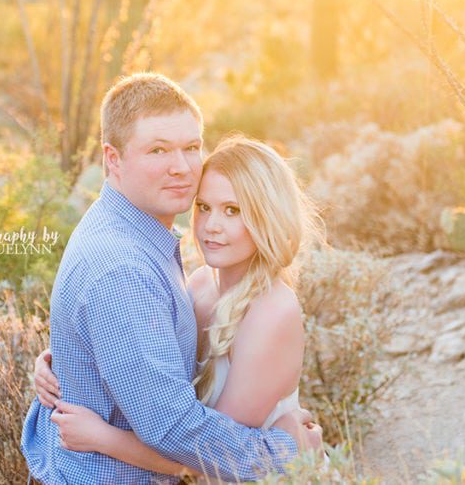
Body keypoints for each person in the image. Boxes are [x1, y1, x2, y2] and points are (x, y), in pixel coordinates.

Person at [20, 73, 321, 484]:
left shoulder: (133, 237)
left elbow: (160, 378)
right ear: (113, 159)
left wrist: (73, 361)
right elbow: (178, 432)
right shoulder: (133, 270)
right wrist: (284, 452)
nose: (180, 168)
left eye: (191, 148)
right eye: (158, 150)